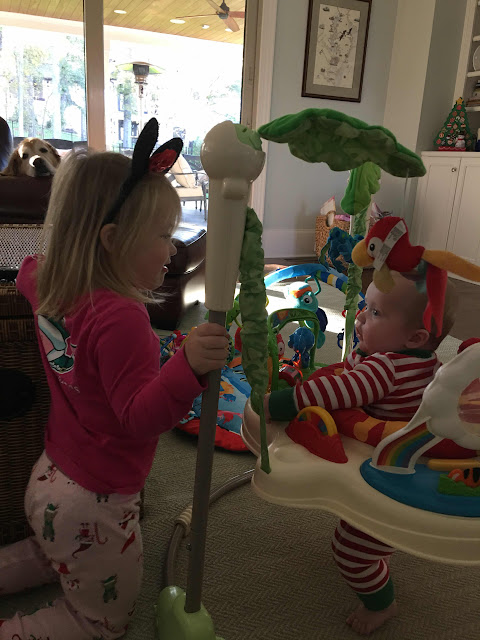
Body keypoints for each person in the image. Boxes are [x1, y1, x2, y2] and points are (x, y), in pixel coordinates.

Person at [0, 125, 229, 640]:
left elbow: (28, 271)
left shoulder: (46, 281)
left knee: (51, 551)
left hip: (51, 476)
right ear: (111, 240)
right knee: (103, 623)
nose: (172, 250)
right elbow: (140, 417)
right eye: (162, 235)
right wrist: (188, 366)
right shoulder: (122, 318)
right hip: (95, 501)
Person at [265, 270, 457, 636]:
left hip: (388, 475)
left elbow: (336, 392)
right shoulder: (424, 362)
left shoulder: (385, 368)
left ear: (414, 337)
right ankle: (379, 553)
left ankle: (381, 604)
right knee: (368, 532)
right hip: (404, 463)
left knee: (351, 550)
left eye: (376, 312)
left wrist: (277, 404)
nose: (361, 316)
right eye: (366, 306)